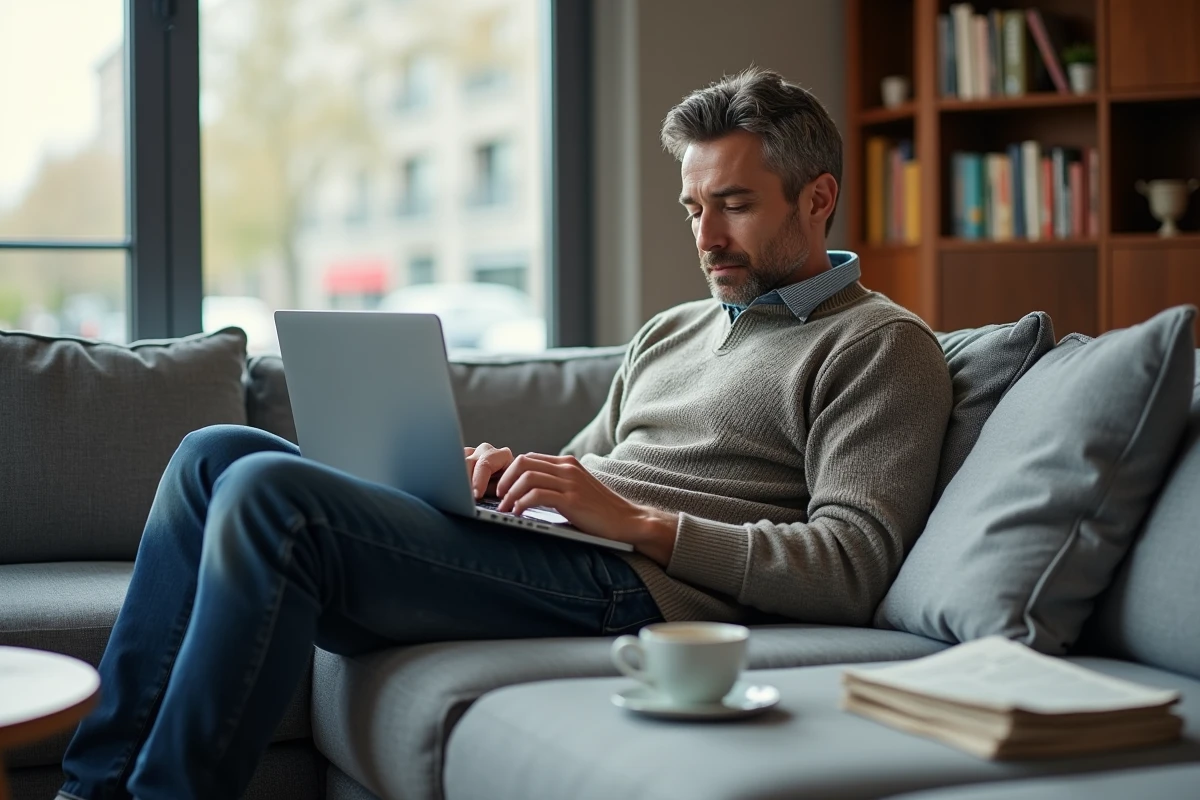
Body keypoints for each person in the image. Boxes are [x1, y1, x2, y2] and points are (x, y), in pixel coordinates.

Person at [57, 67, 952, 800]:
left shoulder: (880, 345)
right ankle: (88, 793)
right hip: (561, 554)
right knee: (215, 453)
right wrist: (502, 476)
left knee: (269, 495)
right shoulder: (676, 328)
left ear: (818, 199)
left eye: (735, 205)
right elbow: (586, 467)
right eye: (693, 208)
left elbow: (851, 564)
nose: (707, 236)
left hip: (632, 588)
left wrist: (642, 524)